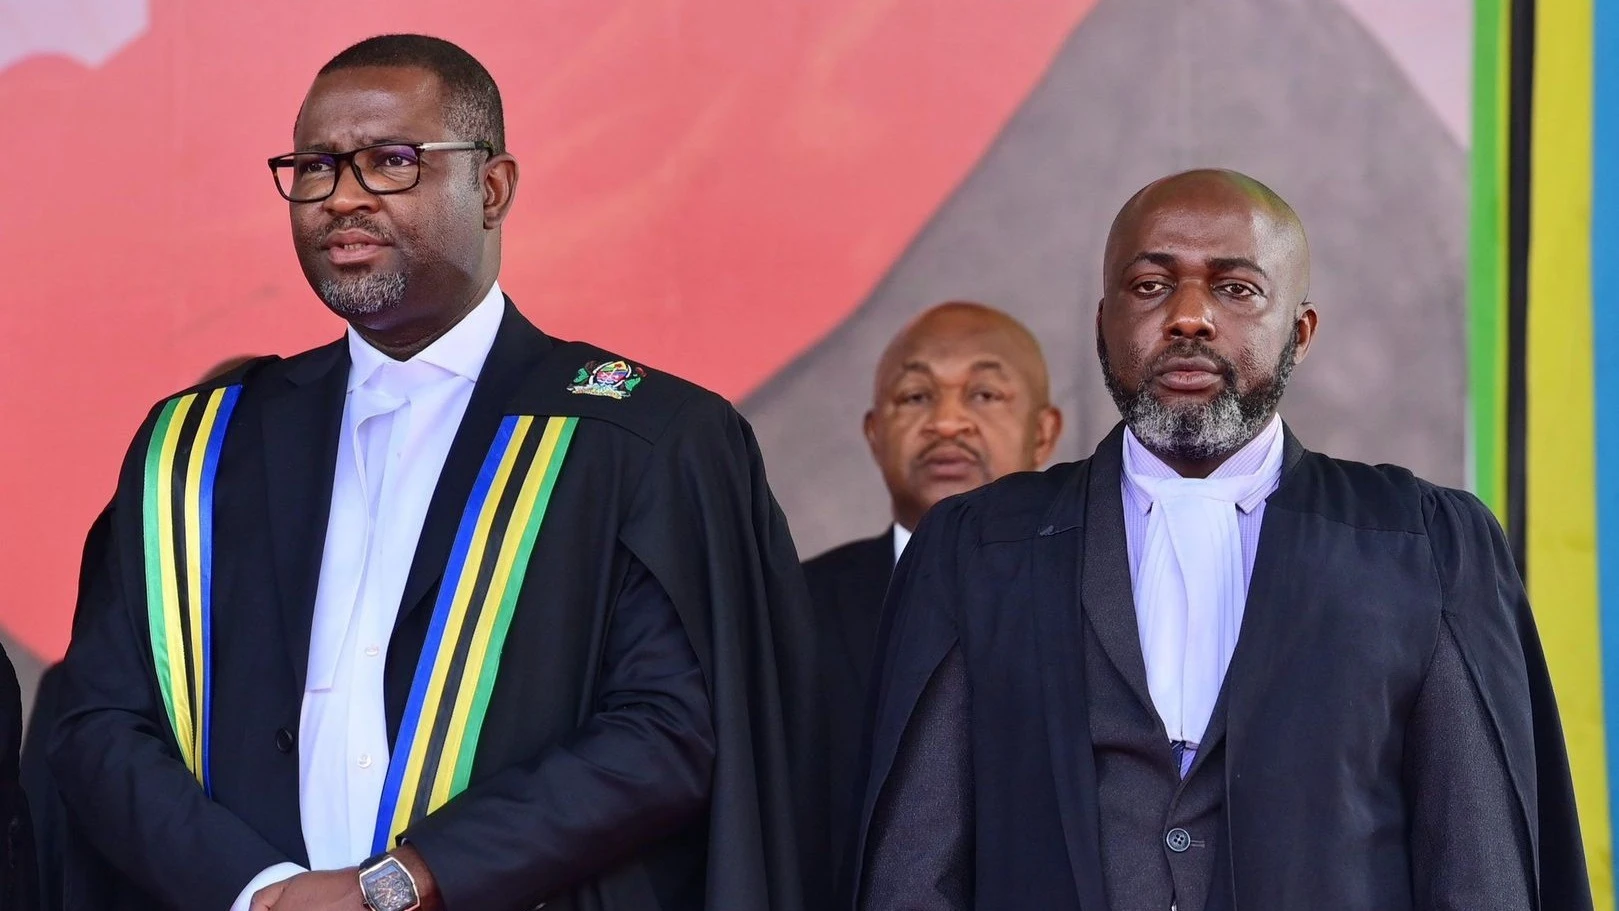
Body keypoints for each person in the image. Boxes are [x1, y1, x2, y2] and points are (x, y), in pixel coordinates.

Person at [49, 34, 816, 911]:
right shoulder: (200, 444)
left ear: (491, 188)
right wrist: (259, 893)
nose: (341, 197)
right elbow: (99, 721)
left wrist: (401, 884)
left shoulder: (636, 436)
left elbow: (669, 731)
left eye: (391, 162)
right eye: (315, 166)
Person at [847, 169, 1591, 911]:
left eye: (1235, 289)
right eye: (1149, 286)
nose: (1189, 317)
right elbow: (914, 866)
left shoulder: (1422, 543)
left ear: (1299, 331)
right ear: (1102, 322)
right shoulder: (979, 548)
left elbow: (1478, 866)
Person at [801, 301, 1059, 878]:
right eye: (916, 397)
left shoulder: (1104, 598)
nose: (946, 422)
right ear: (874, 432)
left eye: (984, 395)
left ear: (1043, 433)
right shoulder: (789, 609)